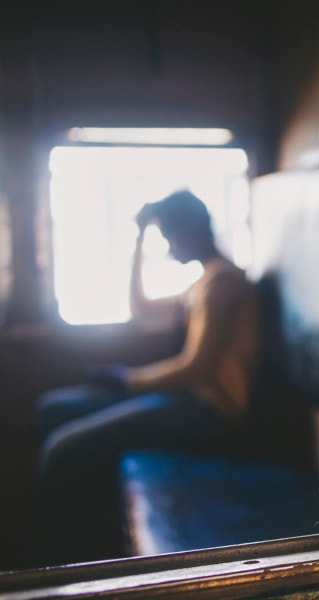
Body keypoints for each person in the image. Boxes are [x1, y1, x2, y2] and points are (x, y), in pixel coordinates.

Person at [35, 190, 259, 563]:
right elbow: (139, 307)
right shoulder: (202, 282)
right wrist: (138, 238)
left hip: (211, 410)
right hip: (186, 399)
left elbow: (196, 368)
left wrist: (128, 380)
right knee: (53, 409)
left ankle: (55, 563)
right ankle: (86, 541)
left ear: (189, 231)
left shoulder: (223, 283)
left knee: (63, 447)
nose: (169, 248)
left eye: (169, 237)